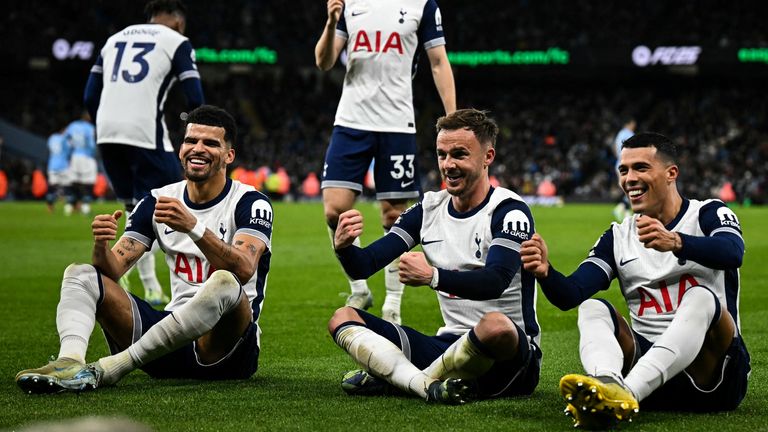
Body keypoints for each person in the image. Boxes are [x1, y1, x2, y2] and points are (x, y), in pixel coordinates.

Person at [15, 105, 273, 394]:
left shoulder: (251, 203)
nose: (198, 149)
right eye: (191, 141)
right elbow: (112, 271)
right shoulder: (157, 201)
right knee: (81, 274)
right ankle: (70, 362)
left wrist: (193, 227)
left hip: (226, 350)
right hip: (167, 343)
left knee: (224, 281)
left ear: (229, 155)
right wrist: (101, 247)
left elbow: (244, 268)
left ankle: (110, 369)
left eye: (211, 143)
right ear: (180, 148)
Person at [521, 132, 750, 429]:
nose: (629, 178)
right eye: (623, 170)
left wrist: (677, 241)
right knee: (593, 308)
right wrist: (546, 272)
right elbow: (570, 295)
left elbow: (733, 252)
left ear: (671, 173)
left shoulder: (708, 213)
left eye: (641, 167)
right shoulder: (618, 237)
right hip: (652, 375)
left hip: (714, 377)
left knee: (701, 297)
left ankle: (626, 394)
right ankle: (607, 382)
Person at [328, 109, 540, 404]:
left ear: (487, 157)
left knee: (496, 325)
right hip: (447, 343)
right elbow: (365, 264)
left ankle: (400, 376)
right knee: (343, 317)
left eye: (459, 154)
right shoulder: (429, 208)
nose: (448, 165)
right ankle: (425, 383)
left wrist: (433, 277)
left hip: (510, 355)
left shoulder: (509, 211)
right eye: (442, 155)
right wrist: (345, 248)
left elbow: (496, 281)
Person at [314, 0, 456, 324]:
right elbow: (324, 62)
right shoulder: (348, 5)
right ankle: (359, 286)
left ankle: (393, 302)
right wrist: (331, 21)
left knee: (394, 215)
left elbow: (438, 61)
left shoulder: (423, 6)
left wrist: (451, 117)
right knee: (334, 209)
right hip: (351, 121)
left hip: (396, 123)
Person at [83, 0, 205, 305]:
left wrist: (107, 123)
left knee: (134, 208)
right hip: (145, 135)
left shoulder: (115, 39)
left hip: (107, 134)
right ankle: (183, 286)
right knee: (169, 205)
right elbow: (194, 97)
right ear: (179, 21)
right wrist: (196, 134)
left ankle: (144, 283)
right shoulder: (177, 41)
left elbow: (89, 95)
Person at [64, 111, 98, 215]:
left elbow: (66, 141)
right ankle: (85, 206)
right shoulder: (89, 128)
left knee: (74, 181)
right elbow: (92, 144)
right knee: (88, 182)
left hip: (74, 156)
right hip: (86, 157)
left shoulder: (72, 126)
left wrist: (69, 154)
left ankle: (70, 205)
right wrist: (93, 154)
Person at [612, 117, 636, 221]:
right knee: (632, 187)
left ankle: (623, 210)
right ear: (630, 123)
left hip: (619, 163)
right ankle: (622, 208)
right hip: (627, 164)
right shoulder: (629, 134)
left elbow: (614, 147)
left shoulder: (619, 134)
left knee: (628, 187)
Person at [45, 129, 73, 215]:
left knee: (52, 188)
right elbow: (69, 151)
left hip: (52, 166)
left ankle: (50, 208)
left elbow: (49, 149)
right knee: (67, 188)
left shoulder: (52, 138)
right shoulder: (65, 139)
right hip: (63, 166)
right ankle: (68, 208)